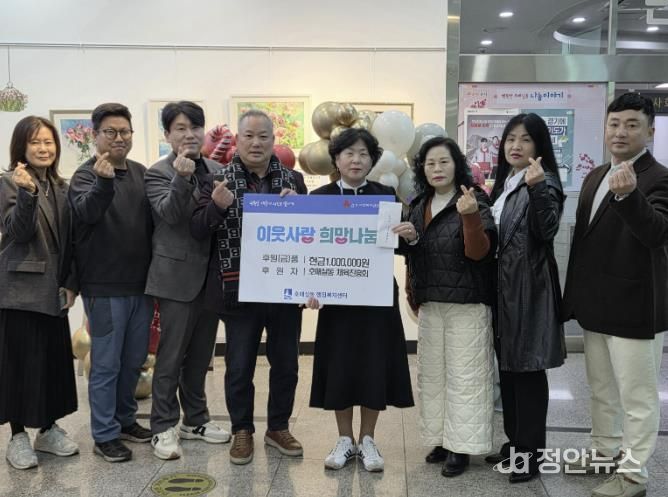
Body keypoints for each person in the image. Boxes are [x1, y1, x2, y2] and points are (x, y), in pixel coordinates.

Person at [562, 92, 668, 497]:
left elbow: (656, 233)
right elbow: (585, 243)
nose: (621, 132)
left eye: (632, 125)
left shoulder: (659, 178)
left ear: (650, 131)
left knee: (637, 398)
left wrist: (628, 196)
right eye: (614, 123)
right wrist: (574, 300)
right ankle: (604, 452)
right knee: (602, 390)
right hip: (597, 306)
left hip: (636, 308)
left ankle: (633, 476)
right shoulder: (595, 175)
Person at [190, 109, 306, 465]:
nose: (256, 143)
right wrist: (216, 207)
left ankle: (278, 427)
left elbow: (309, 235)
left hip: (284, 290)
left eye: (263, 136)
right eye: (249, 136)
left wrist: (299, 209)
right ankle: (242, 430)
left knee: (286, 365)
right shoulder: (216, 180)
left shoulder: (294, 180)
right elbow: (197, 229)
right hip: (237, 289)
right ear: (238, 140)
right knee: (239, 366)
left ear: (274, 140)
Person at [304, 128, 414, 473]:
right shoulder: (319, 198)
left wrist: (410, 235)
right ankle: (344, 439)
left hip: (376, 296)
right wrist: (307, 288)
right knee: (339, 364)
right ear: (336, 159)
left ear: (372, 160)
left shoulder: (385, 196)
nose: (356, 160)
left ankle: (368, 438)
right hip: (336, 300)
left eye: (364, 154)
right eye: (349, 153)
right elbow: (306, 250)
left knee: (373, 364)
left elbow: (400, 247)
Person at [404, 136, 496, 477]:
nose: (437, 168)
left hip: (466, 305)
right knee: (433, 376)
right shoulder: (419, 204)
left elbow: (480, 252)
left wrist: (470, 217)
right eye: (430, 163)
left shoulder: (474, 199)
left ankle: (461, 447)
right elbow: (417, 253)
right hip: (432, 305)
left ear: (457, 165)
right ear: (422, 169)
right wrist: (409, 241)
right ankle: (441, 439)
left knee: (466, 377)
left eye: (444, 161)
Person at [144, 101, 230, 460]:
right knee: (170, 357)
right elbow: (169, 213)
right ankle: (162, 426)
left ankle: (195, 420)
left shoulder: (218, 169)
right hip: (176, 278)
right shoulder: (158, 173)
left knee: (200, 357)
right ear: (168, 134)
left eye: (195, 127)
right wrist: (180, 178)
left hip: (212, 279)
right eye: (180, 128)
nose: (189, 134)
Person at [68, 103, 153, 463]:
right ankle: (104, 435)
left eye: (125, 131)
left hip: (141, 288)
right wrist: (103, 182)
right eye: (110, 132)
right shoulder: (85, 176)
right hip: (103, 289)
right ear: (96, 136)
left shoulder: (141, 173)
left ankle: (125, 420)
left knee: (133, 361)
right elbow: (86, 214)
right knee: (105, 365)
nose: (119, 138)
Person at [485, 113, 566, 483]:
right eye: (510, 139)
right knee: (509, 370)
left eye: (525, 139)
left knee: (528, 372)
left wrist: (537, 190)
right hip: (503, 291)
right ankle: (515, 442)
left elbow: (546, 230)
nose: (515, 146)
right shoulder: (505, 183)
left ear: (539, 145)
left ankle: (529, 455)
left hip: (529, 291)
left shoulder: (543, 181)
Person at [0, 116, 78, 470]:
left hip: (55, 290)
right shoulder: (8, 182)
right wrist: (26, 193)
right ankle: (17, 436)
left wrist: (72, 282)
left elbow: (72, 241)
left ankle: (48, 429)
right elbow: (19, 231)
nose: (43, 148)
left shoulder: (61, 186)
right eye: (35, 142)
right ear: (21, 147)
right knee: (19, 366)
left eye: (48, 142)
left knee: (51, 363)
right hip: (20, 291)